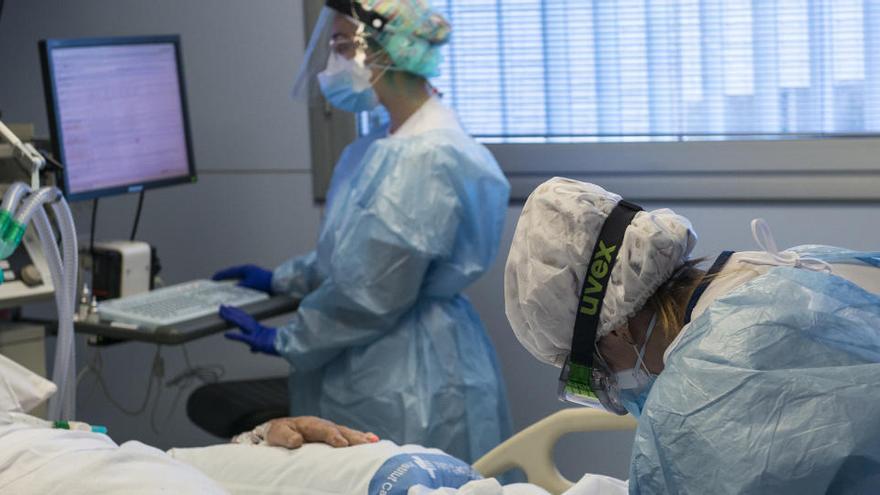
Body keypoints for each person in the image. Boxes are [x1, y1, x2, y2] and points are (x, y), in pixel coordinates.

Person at [213, 0, 512, 463]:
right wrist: (282, 279)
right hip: (390, 354)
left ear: (387, 52)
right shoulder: (386, 143)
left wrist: (287, 340)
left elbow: (372, 293)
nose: (332, 63)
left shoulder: (423, 157)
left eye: (341, 46)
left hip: (406, 373)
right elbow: (357, 257)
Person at [504, 177, 880, 493]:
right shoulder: (780, 267)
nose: (616, 387)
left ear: (617, 327)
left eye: (599, 373)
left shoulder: (701, 397)